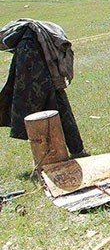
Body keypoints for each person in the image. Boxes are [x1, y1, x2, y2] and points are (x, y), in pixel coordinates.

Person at [0, 19, 87, 158]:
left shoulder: (26, 42)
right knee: (60, 108)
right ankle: (73, 151)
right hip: (46, 73)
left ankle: (68, 152)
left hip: (42, 74)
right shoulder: (24, 37)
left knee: (55, 108)